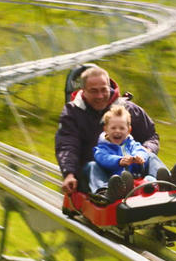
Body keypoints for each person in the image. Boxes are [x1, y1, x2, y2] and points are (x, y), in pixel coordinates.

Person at [55, 65, 166, 196]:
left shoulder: (128, 110)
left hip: (133, 170)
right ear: (83, 90)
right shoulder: (73, 113)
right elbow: (67, 145)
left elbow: (151, 136)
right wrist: (69, 174)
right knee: (92, 166)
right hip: (94, 174)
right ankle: (105, 192)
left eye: (103, 90)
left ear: (109, 87)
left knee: (151, 156)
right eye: (93, 91)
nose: (100, 96)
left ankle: (164, 182)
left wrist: (145, 151)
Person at [93, 106, 176, 202]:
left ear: (128, 130)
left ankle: (169, 183)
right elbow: (103, 158)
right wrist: (119, 161)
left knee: (150, 156)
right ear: (105, 129)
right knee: (95, 167)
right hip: (117, 182)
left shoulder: (131, 143)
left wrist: (139, 157)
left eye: (122, 128)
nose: (117, 131)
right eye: (113, 128)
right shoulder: (102, 147)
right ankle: (116, 192)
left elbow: (140, 150)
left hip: (139, 177)